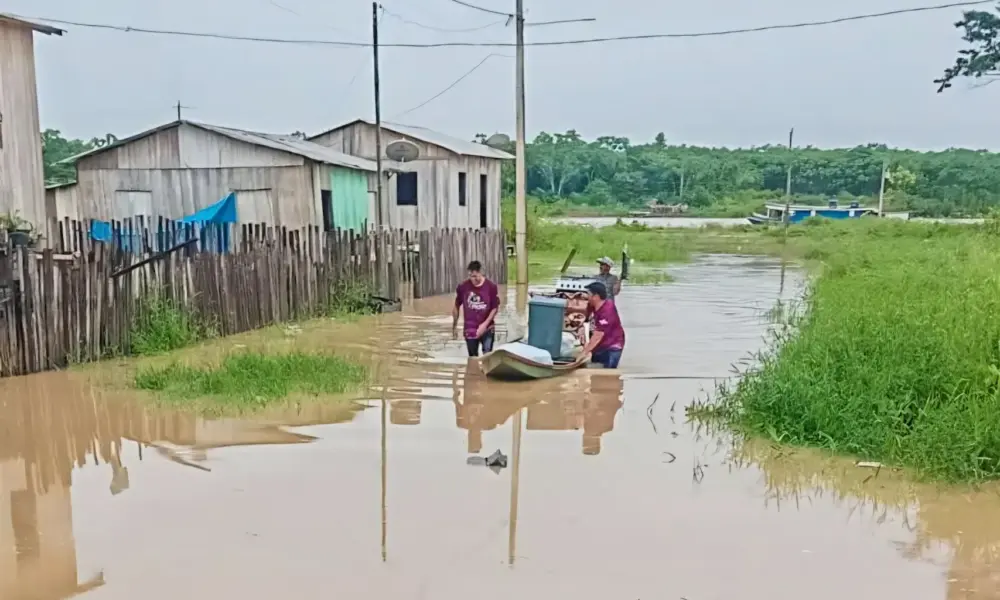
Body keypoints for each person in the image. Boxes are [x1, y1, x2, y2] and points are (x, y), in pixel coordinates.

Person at [453, 260, 501, 357]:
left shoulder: (491, 287)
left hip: (487, 328)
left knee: (487, 356)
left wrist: (484, 325)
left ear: (480, 272)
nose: (473, 279)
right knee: (473, 358)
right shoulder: (463, 287)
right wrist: (454, 326)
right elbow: (456, 305)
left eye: (475, 276)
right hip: (470, 330)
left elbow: (494, 308)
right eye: (471, 276)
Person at [581, 281, 625, 368]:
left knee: (608, 375)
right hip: (599, 345)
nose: (587, 296)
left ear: (596, 297)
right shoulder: (592, 305)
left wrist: (584, 352)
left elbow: (598, 335)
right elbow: (585, 318)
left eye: (588, 294)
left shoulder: (608, 310)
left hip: (612, 347)